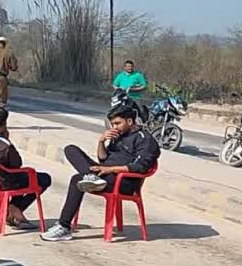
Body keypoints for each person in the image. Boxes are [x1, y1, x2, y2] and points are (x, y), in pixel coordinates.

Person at [41, 104, 161, 242]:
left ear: (129, 121)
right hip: (104, 174)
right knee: (70, 149)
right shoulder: (118, 135)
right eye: (112, 124)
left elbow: (140, 167)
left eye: (117, 123)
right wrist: (101, 141)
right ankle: (91, 176)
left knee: (77, 179)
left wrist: (109, 170)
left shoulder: (144, 139)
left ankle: (63, 227)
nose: (114, 127)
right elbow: (103, 158)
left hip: (123, 181)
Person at [0, 106, 51, 230]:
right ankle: (15, 208)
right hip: (6, 183)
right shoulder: (5, 146)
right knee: (44, 178)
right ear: (3, 125)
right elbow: (17, 163)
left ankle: (13, 209)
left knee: (21, 177)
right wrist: (7, 139)